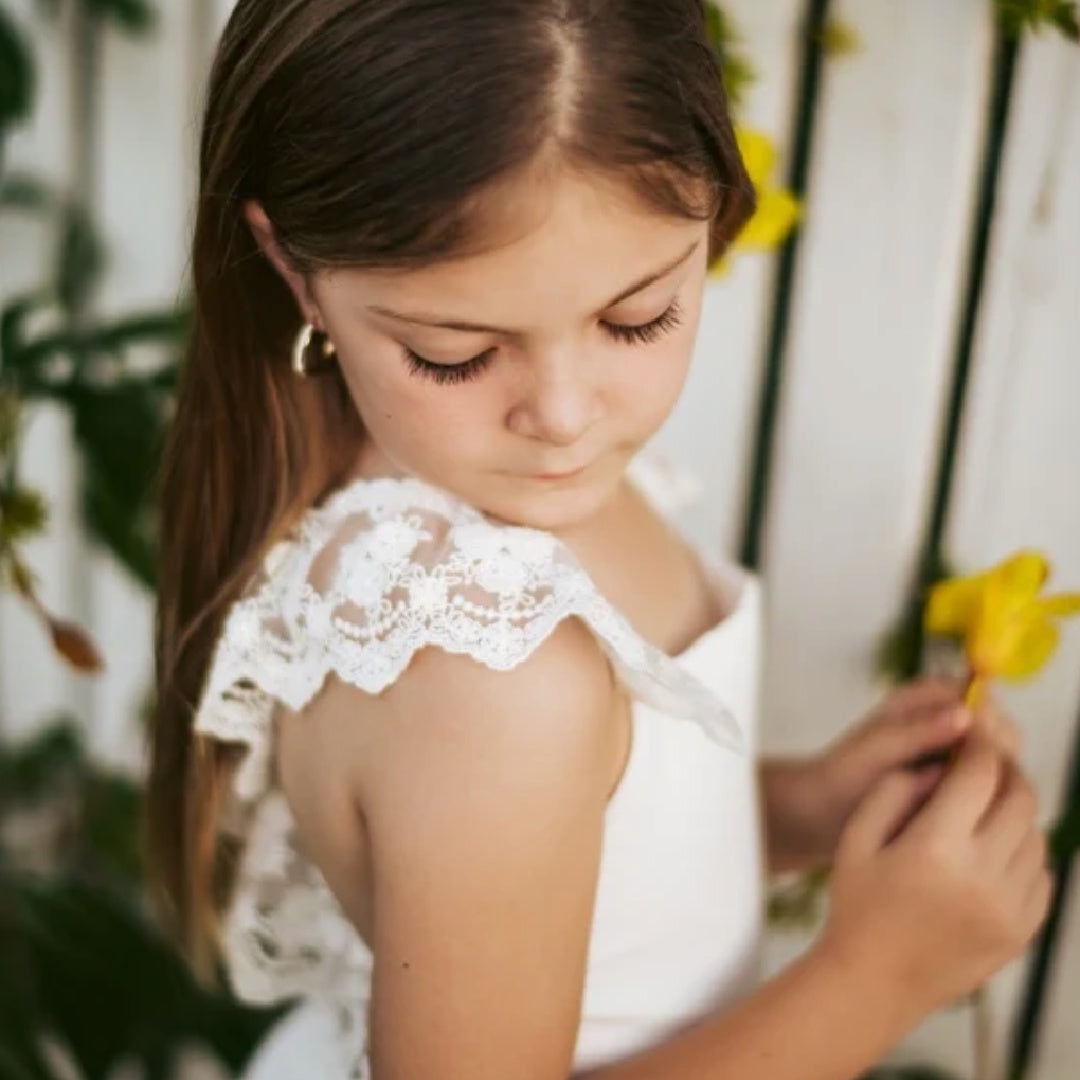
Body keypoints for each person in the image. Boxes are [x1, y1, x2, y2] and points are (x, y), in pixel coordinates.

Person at [145, 2, 1053, 1078]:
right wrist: (878, 977)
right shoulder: (482, 669)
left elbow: (557, 857)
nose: (565, 415)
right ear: (292, 269)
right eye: (454, 354)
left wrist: (791, 812)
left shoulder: (495, 494)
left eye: (637, 320)